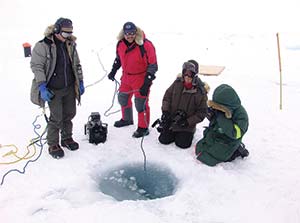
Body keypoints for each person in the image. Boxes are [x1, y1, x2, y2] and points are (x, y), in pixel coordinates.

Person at [30, 17, 84, 159]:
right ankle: (53, 143)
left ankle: (67, 138)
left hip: (69, 86)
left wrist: (81, 81)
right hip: (53, 89)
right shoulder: (43, 46)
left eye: (70, 33)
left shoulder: (70, 44)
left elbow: (77, 64)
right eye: (65, 33)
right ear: (56, 30)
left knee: (69, 114)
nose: (67, 36)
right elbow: (37, 66)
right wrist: (42, 86)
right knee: (56, 117)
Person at [107, 21, 158, 138]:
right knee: (123, 98)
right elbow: (118, 59)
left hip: (141, 78)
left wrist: (147, 82)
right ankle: (127, 119)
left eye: (132, 33)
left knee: (141, 104)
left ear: (136, 33)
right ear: (123, 34)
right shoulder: (120, 44)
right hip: (126, 77)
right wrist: (113, 71)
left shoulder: (146, 45)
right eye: (127, 33)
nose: (129, 36)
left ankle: (143, 127)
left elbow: (153, 65)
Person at [157, 60, 208, 149]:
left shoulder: (200, 92)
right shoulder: (177, 83)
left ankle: (189, 132)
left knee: (182, 144)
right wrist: (165, 112)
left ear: (195, 75)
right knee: (163, 140)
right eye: (185, 73)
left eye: (190, 74)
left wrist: (188, 122)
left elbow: (201, 113)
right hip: (173, 120)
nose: (187, 77)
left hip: (186, 124)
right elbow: (167, 98)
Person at [195, 84, 249, 166]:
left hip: (228, 140)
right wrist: (211, 116)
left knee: (208, 157)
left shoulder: (241, 115)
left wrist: (222, 118)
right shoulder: (221, 110)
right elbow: (215, 124)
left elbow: (235, 133)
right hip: (217, 134)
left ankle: (235, 152)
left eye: (218, 107)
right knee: (200, 148)